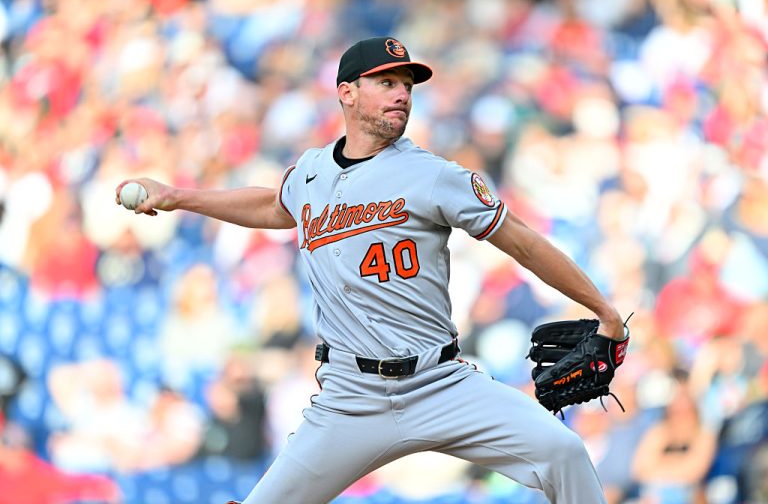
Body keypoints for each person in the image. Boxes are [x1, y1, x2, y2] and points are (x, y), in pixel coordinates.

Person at [116, 36, 627, 504]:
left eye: (406, 86)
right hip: (349, 399)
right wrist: (178, 196)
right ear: (347, 92)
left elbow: (523, 241)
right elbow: (275, 205)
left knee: (564, 454)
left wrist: (603, 310)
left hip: (440, 383)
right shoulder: (312, 171)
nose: (401, 94)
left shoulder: (432, 175)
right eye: (386, 82)